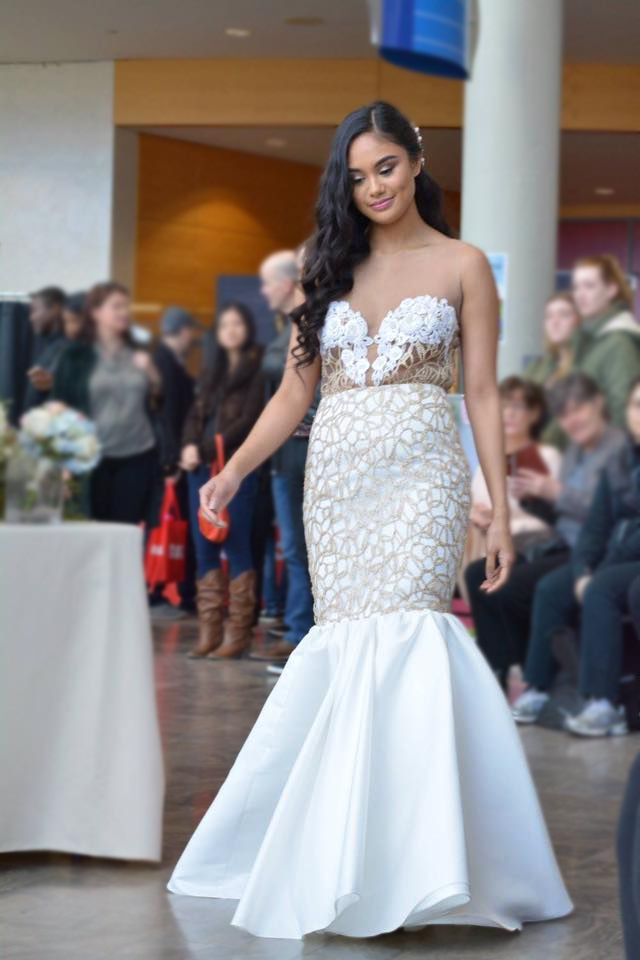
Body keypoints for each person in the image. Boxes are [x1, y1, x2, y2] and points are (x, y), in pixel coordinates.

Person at [167, 101, 572, 938]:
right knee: (348, 642)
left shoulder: (463, 264)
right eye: (356, 178)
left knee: (413, 633)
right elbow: (295, 391)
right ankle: (341, 859)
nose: (374, 188)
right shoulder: (327, 267)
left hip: (424, 473)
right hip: (338, 479)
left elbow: (483, 394)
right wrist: (233, 472)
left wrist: (497, 512)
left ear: (416, 162)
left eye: (386, 168)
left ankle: (419, 865)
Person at [466, 373, 626, 682]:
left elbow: (605, 512)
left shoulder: (610, 449)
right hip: (557, 542)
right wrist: (528, 504)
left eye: (578, 409)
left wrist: (553, 493)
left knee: (516, 584)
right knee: (479, 573)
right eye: (564, 414)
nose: (571, 420)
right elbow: (561, 514)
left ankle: (531, 674)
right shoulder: (578, 450)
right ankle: (499, 667)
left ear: (598, 404)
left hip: (582, 547)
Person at [512, 377, 640, 736]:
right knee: (552, 587)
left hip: (626, 559)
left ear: (598, 405)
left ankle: (605, 703)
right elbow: (596, 525)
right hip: (609, 555)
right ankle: (538, 688)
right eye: (636, 405)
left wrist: (598, 570)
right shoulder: (622, 460)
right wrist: (583, 567)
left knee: (601, 588)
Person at [181, 301, 265, 660]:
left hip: (234, 469)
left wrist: (202, 447)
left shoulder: (258, 371)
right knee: (204, 547)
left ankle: (238, 635)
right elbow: (193, 415)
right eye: (225, 324)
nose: (231, 330)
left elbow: (249, 421)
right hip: (199, 469)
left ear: (247, 329)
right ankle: (209, 633)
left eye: (237, 323)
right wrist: (188, 446)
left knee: (236, 545)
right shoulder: (210, 372)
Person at [251, 248, 319, 668]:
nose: (264, 292)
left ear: (287, 281)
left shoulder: (316, 316)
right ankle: (296, 626)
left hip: (311, 445)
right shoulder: (286, 325)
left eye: (267, 283)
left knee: (309, 545)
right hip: (282, 451)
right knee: (292, 545)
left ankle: (303, 631)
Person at [52, 281, 164, 525]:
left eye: (126, 306)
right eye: (116, 306)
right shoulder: (75, 356)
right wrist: (61, 465)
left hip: (138, 453)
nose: (124, 312)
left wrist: (153, 374)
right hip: (93, 457)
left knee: (127, 531)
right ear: (95, 312)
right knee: (94, 529)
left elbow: (159, 403)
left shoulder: (139, 354)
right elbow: (59, 409)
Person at [462, 376, 562, 578]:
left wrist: (500, 521)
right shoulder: (487, 464)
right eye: (504, 406)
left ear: (534, 413)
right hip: (482, 548)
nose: (509, 413)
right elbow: (474, 507)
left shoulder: (548, 457)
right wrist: (478, 516)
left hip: (528, 553)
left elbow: (554, 521)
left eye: (518, 406)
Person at [149, 306, 200, 618]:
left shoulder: (165, 362)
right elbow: (165, 417)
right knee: (165, 527)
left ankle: (170, 592)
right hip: (168, 461)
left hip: (169, 458)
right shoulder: (164, 365)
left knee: (168, 526)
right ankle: (159, 593)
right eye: (190, 331)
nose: (192, 338)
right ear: (183, 331)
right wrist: (171, 463)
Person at [569, 254, 640, 431]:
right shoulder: (587, 339)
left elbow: (625, 415)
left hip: (605, 447)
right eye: (576, 287)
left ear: (611, 290)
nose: (580, 295)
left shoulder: (619, 343)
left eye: (589, 286)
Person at [523, 292, 581, 388]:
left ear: (579, 319)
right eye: (549, 316)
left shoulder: (588, 365)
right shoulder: (535, 368)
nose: (554, 323)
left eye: (563, 315)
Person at [24, 286, 68, 409]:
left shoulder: (65, 348)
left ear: (55, 309)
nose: (31, 318)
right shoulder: (50, 347)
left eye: (35, 310)